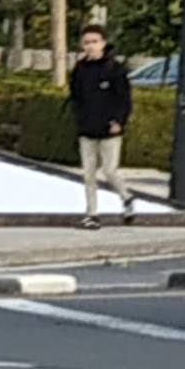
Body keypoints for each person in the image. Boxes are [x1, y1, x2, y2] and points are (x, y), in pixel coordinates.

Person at [67, 24, 135, 229]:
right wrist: (79, 118)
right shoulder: (80, 69)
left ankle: (126, 197)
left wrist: (118, 121)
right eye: (86, 42)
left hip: (110, 130)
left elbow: (124, 99)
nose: (90, 46)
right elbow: (76, 97)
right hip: (87, 129)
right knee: (88, 173)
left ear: (103, 44)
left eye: (94, 42)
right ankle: (92, 213)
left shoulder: (115, 69)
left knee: (109, 170)